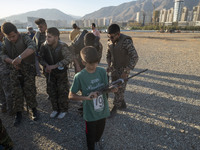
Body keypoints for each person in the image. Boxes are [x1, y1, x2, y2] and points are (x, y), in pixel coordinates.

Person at [69, 46, 118, 150]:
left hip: (103, 111)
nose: (94, 66)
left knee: (99, 132)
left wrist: (112, 89)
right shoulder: (79, 76)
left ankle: (97, 141)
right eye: (90, 64)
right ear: (83, 62)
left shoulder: (101, 72)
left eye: (96, 62)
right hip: (90, 114)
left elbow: (106, 88)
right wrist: (87, 98)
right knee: (90, 136)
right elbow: (71, 95)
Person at [0, 22, 39, 126]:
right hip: (14, 70)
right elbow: (2, 54)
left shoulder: (24, 37)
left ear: (17, 32)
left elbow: (32, 46)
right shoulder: (5, 42)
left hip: (28, 69)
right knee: (16, 92)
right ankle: (19, 113)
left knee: (30, 90)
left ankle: (34, 110)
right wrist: (12, 61)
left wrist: (20, 58)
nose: (12, 39)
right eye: (9, 37)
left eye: (13, 36)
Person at [39, 27, 73, 119]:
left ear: (56, 37)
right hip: (50, 74)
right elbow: (40, 58)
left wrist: (55, 66)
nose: (47, 39)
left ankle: (63, 110)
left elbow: (69, 58)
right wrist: (46, 65)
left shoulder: (62, 46)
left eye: (49, 37)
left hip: (61, 74)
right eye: (46, 36)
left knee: (62, 92)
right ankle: (55, 109)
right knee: (52, 91)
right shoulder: (44, 46)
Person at [106, 24, 139, 117]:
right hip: (114, 69)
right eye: (108, 36)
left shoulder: (126, 42)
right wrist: (109, 64)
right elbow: (108, 54)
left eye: (112, 37)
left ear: (118, 34)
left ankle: (115, 108)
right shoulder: (109, 42)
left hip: (123, 69)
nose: (110, 38)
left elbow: (135, 57)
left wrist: (126, 71)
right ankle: (122, 103)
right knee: (114, 87)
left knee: (119, 88)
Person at [0, 26, 14, 115]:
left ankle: (3, 107)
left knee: (1, 91)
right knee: (8, 91)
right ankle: (10, 110)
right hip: (4, 70)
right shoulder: (2, 45)